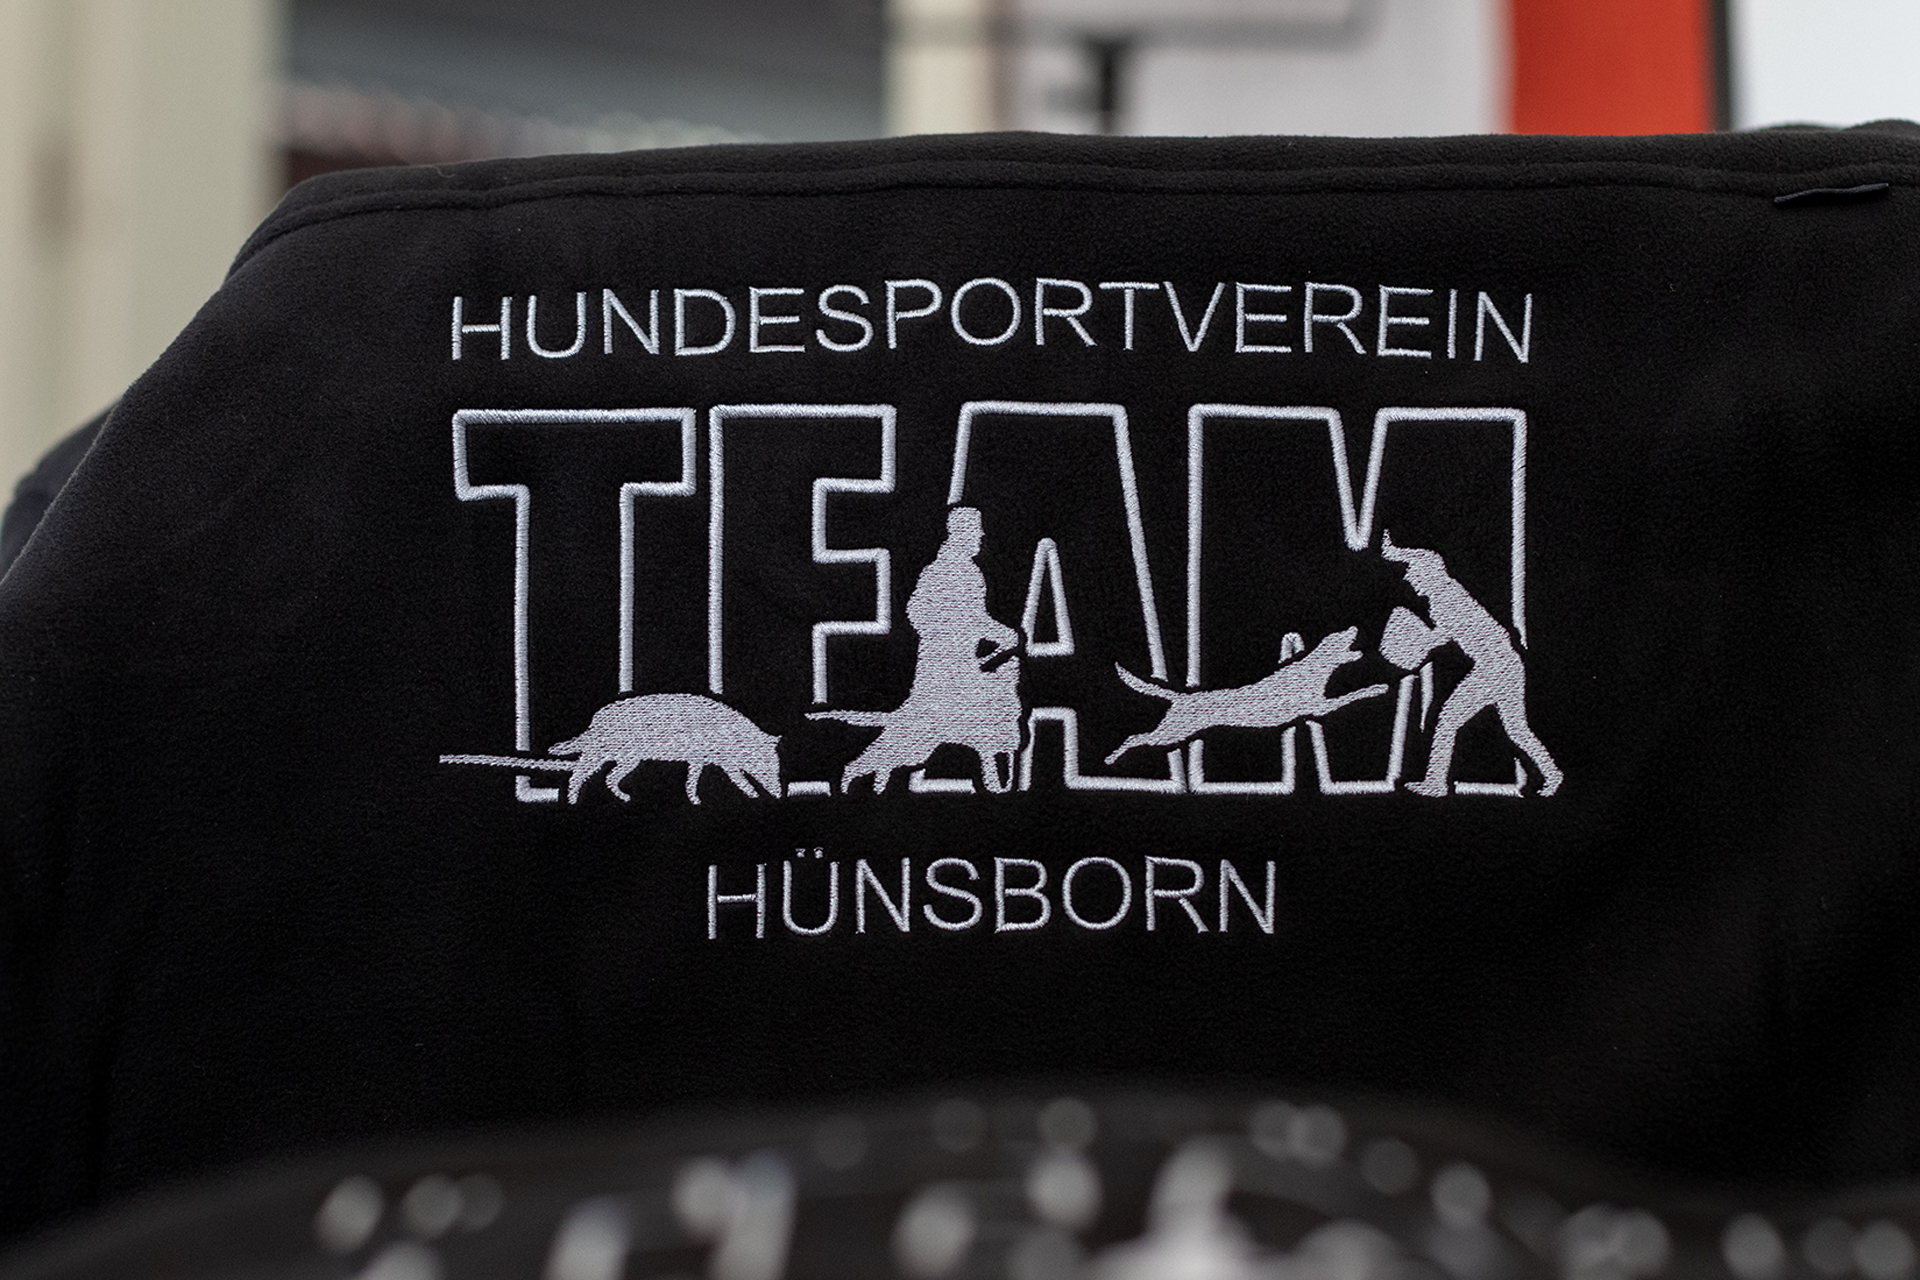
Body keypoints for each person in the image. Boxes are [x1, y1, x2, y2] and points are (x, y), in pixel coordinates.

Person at [813, 506, 1024, 793]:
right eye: (976, 530)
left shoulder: (966, 571)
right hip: (942, 673)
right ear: (961, 533)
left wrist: (991, 633)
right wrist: (984, 633)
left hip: (962, 667)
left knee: (984, 720)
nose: (981, 535)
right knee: (919, 741)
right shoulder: (945, 571)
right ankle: (856, 772)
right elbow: (922, 612)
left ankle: (996, 783)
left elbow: (968, 617)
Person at [1381, 530, 1562, 797]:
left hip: (1495, 667)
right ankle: (1553, 774)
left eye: (1413, 574)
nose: (1410, 579)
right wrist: (1396, 553)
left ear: (1427, 576)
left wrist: (1406, 645)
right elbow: (1430, 560)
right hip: (1505, 663)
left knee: (1448, 719)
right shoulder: (1446, 593)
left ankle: (1436, 782)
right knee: (1515, 729)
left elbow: (1437, 637)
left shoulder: (1444, 600)